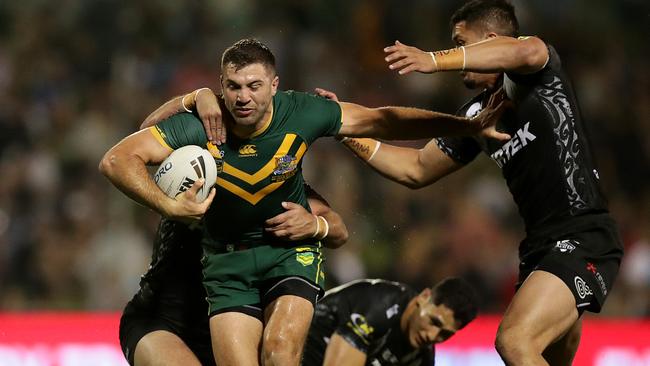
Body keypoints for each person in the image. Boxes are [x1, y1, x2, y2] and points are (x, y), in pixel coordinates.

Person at [99, 38, 505, 366]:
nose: (243, 98)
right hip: (209, 280)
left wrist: (464, 126)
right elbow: (123, 153)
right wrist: (192, 104)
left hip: (284, 258)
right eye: (233, 87)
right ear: (222, 87)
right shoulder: (199, 137)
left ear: (275, 85)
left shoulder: (298, 133)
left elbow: (380, 120)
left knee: (279, 353)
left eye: (254, 86)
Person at [326, 1, 623, 365]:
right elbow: (416, 168)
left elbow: (523, 50)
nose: (458, 54)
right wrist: (344, 133)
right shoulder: (477, 116)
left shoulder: (536, 68)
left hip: (581, 235)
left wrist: (432, 59)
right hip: (538, 249)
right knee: (543, 356)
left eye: (461, 43)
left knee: (514, 341)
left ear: (491, 40)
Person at [119, 185, 348, 366]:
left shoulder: (281, 186)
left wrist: (317, 225)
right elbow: (149, 134)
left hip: (232, 328)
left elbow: (338, 229)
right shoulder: (202, 170)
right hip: (160, 320)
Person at [302, 277, 479, 366]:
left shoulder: (422, 357)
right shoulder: (379, 305)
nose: (432, 336)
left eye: (445, 334)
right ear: (424, 297)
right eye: (434, 322)